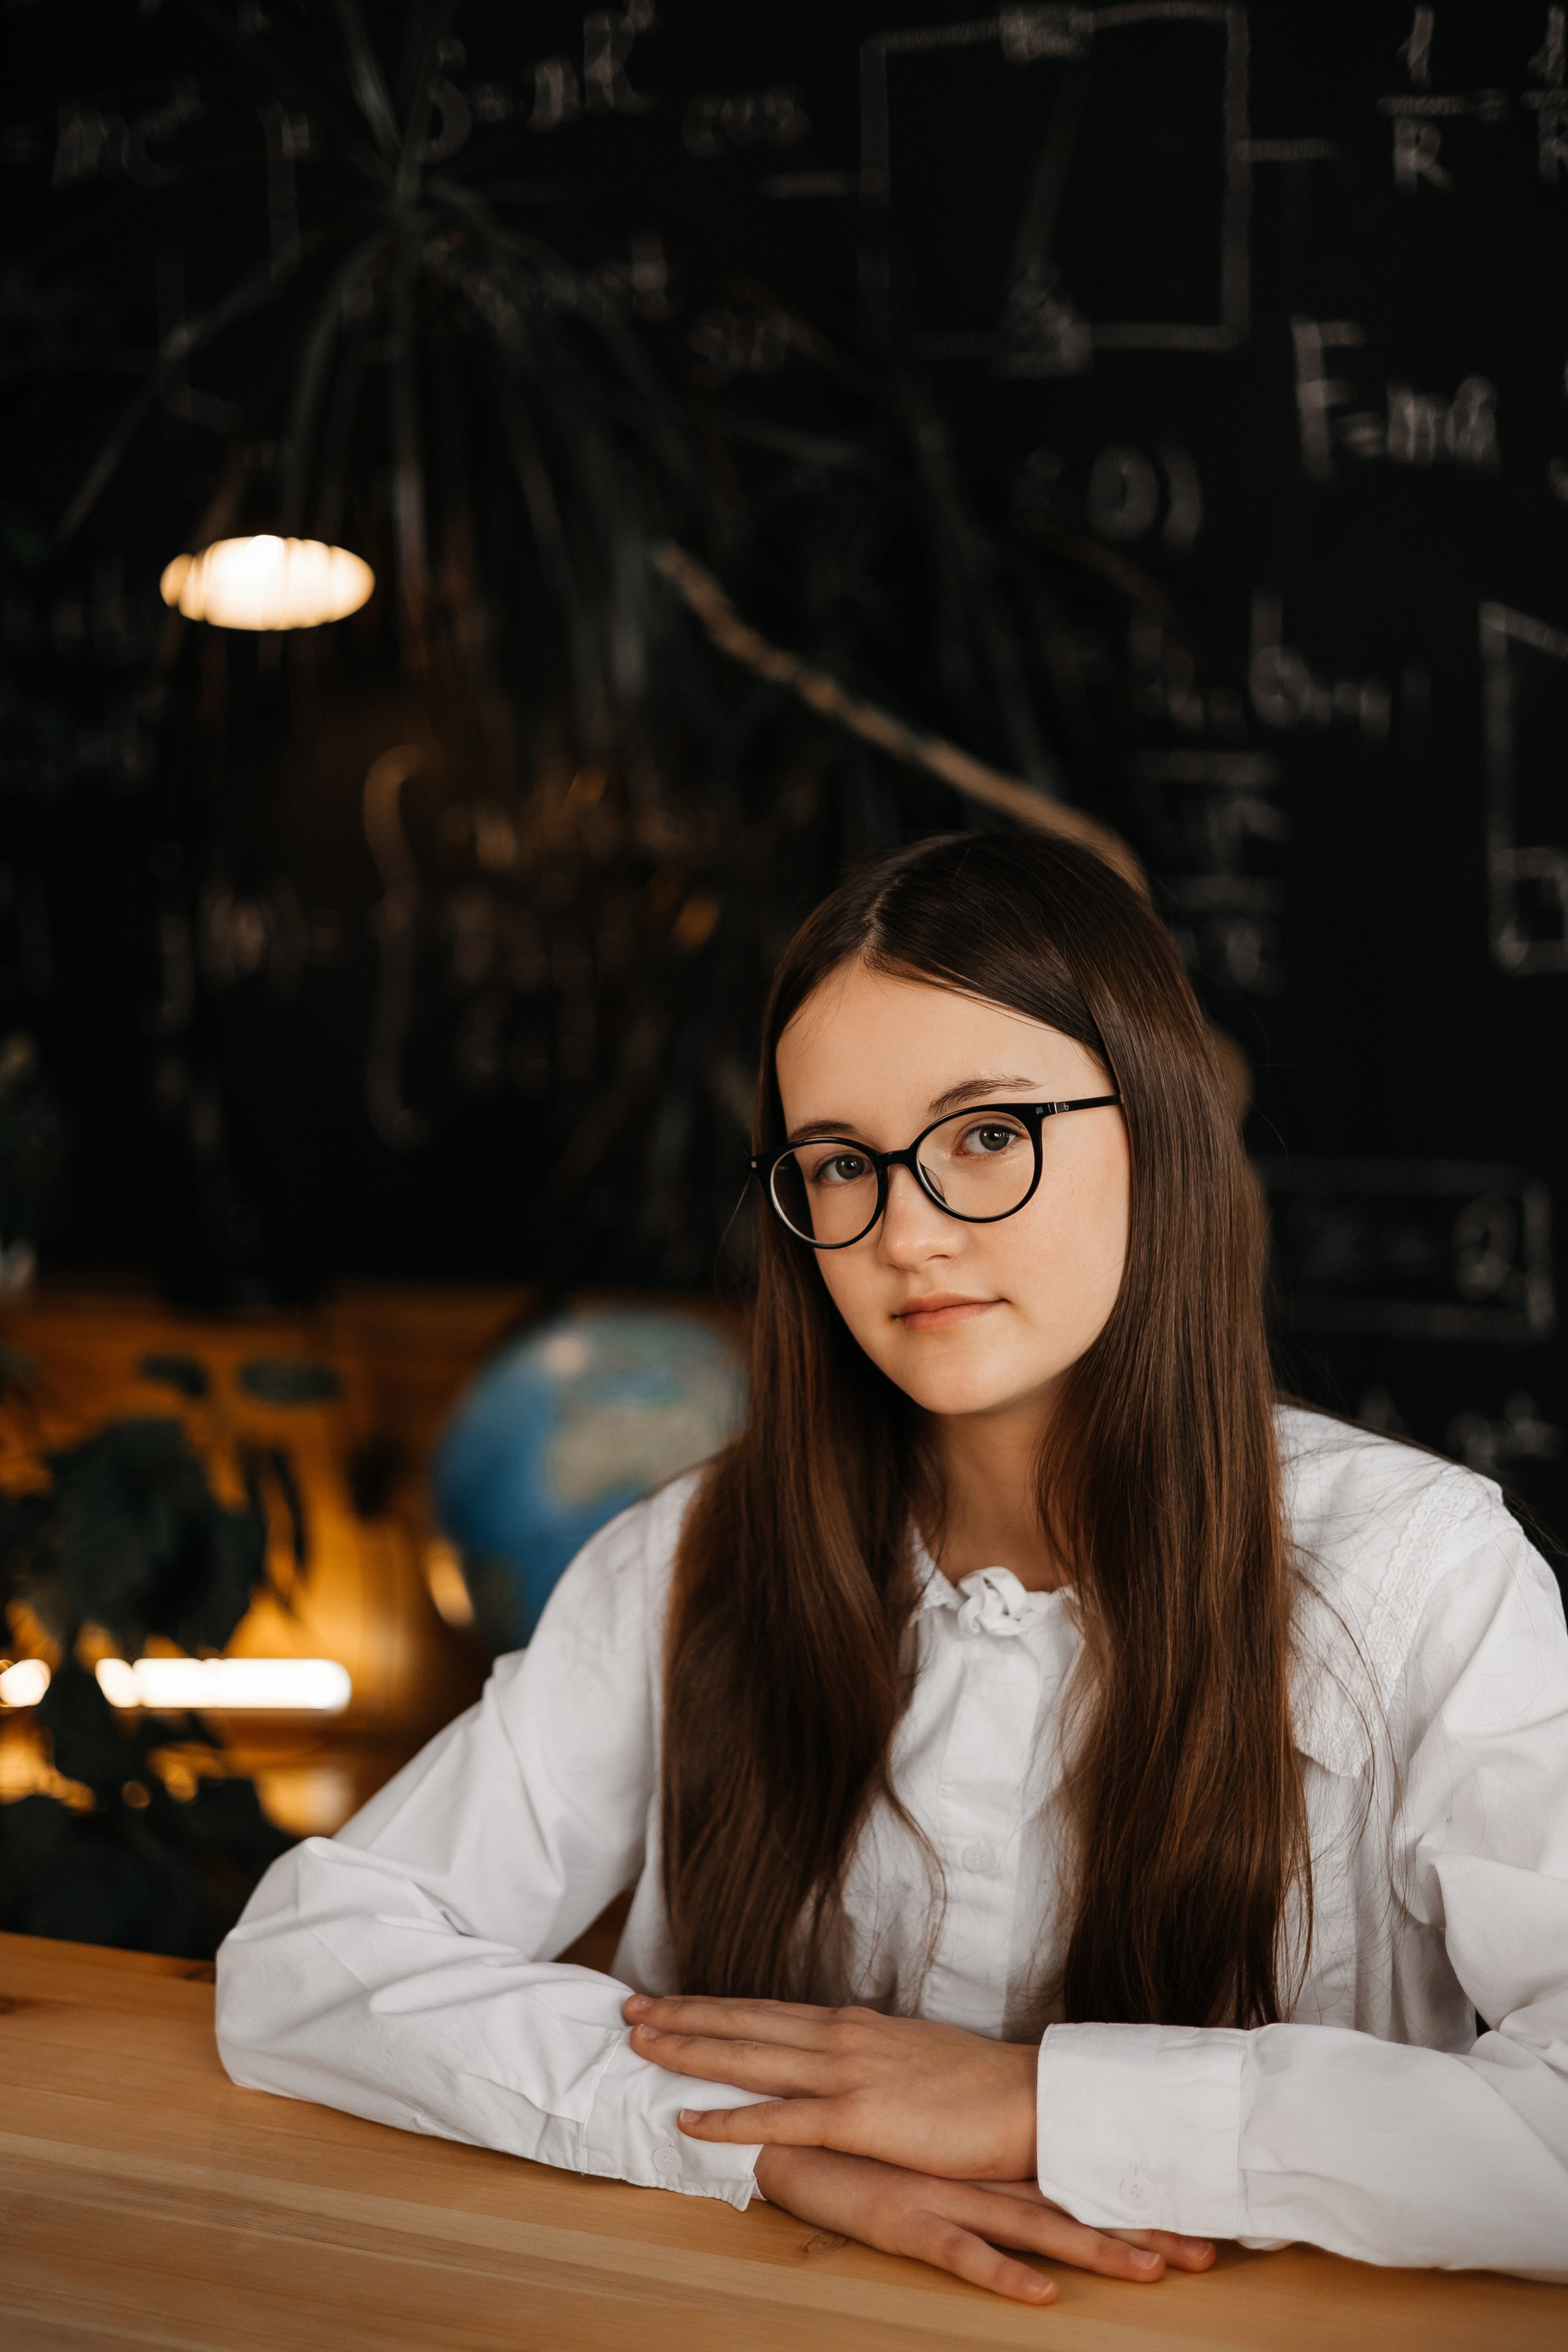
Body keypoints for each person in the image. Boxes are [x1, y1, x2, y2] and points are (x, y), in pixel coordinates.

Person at [215, 832, 1568, 2302]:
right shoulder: (694, 1556)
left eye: (986, 1134)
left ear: (1157, 1126)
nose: (906, 1232)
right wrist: (767, 2145)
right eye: (839, 1165)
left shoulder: (1420, 1578)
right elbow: (306, 1960)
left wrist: (1037, 2105)